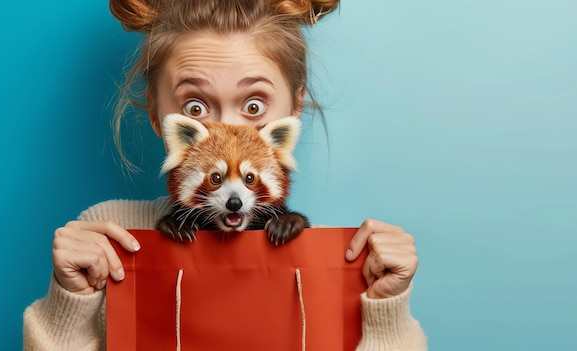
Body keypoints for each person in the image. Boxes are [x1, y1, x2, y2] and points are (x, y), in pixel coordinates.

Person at [23, 0, 428, 350]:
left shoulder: (340, 259)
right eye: (196, 108)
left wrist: (384, 309)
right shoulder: (110, 237)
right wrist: (70, 303)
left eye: (253, 106)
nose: (226, 131)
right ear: (156, 113)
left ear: (294, 110)